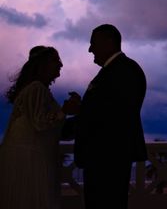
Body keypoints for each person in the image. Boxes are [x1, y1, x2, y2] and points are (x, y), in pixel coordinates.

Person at [73, 24, 147, 209]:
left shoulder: (124, 70)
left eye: (93, 43)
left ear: (109, 42)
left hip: (108, 158)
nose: (90, 49)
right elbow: (107, 110)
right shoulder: (117, 70)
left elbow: (112, 115)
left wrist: (72, 116)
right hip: (105, 157)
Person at [0, 46, 80, 209]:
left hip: (27, 159)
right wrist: (65, 111)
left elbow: (51, 126)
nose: (61, 64)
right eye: (55, 60)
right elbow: (40, 123)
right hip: (31, 161)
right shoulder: (36, 88)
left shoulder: (35, 89)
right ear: (42, 65)